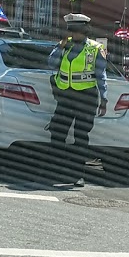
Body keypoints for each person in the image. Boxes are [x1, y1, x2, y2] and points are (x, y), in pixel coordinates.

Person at [47, 13, 107, 186]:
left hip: (86, 97)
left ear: (86, 30)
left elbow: (100, 75)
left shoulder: (95, 48)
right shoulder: (64, 46)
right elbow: (51, 64)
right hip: (65, 95)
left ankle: (78, 175)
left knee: (81, 137)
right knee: (57, 133)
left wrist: (104, 99)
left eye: (78, 31)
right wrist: (60, 47)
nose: (75, 34)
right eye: (72, 31)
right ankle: (56, 171)